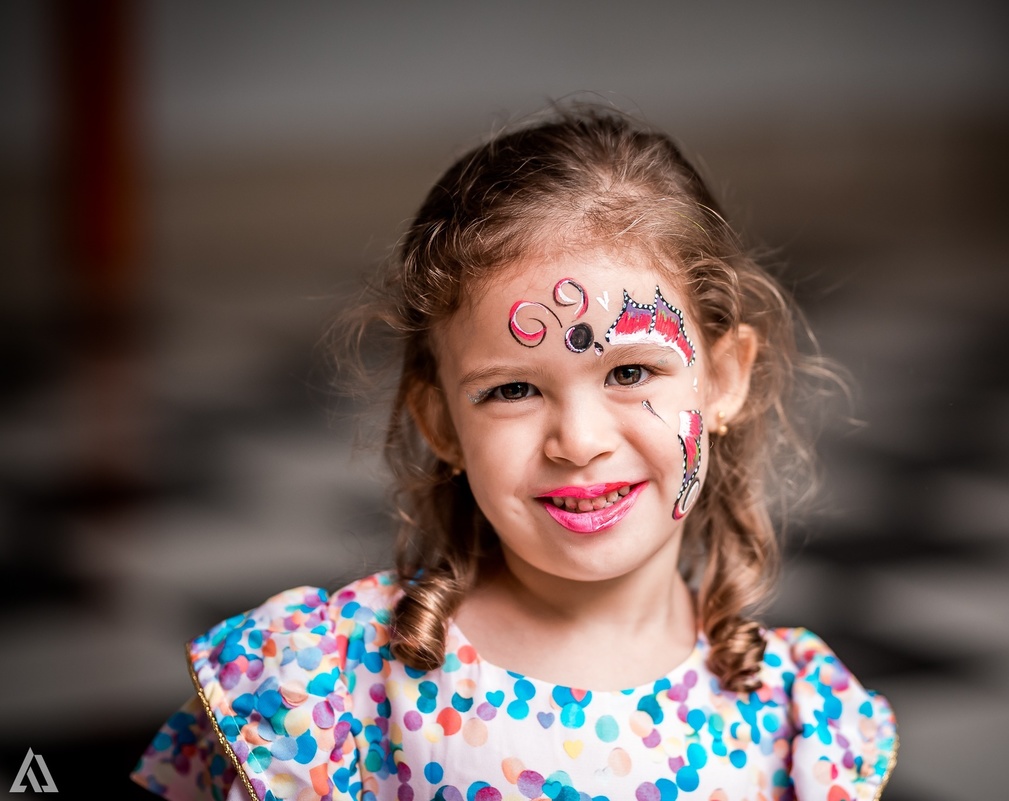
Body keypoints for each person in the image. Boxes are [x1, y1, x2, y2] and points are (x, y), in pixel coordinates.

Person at [131, 103, 897, 801]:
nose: (580, 441)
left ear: (723, 380)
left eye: (631, 372)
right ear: (440, 422)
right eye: (513, 389)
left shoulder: (795, 724)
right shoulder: (330, 685)